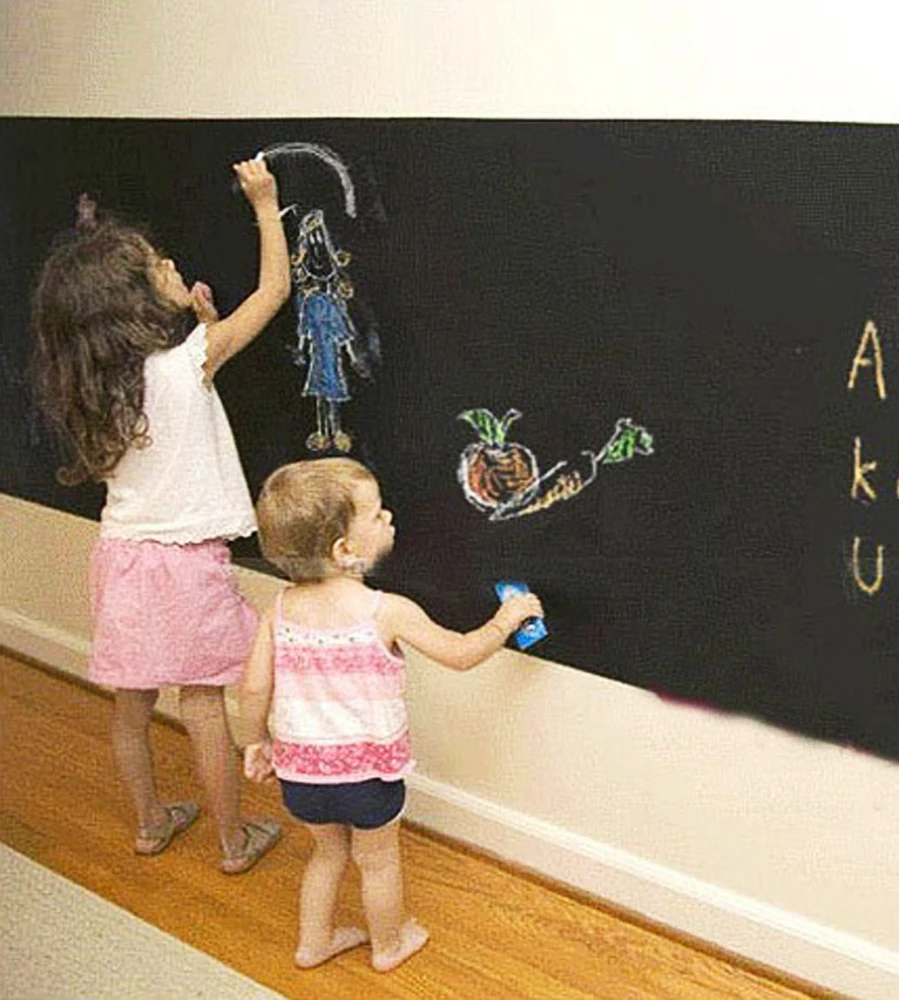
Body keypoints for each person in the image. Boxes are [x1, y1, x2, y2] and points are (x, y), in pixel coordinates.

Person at [31, 157, 291, 873]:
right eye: (157, 265)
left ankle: (150, 824)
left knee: (132, 705)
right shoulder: (188, 363)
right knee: (203, 704)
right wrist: (265, 203)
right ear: (134, 300)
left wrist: (200, 319)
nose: (171, 263)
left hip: (121, 559)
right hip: (184, 565)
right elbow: (274, 291)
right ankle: (234, 841)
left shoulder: (93, 387)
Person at [240, 457, 544, 972]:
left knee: (327, 854)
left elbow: (253, 687)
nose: (388, 517)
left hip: (301, 774)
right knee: (377, 861)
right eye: (377, 513)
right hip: (368, 777)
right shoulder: (386, 611)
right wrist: (505, 620)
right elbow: (460, 653)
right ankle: (388, 946)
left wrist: (255, 742)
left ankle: (313, 944)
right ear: (344, 550)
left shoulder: (281, 608)